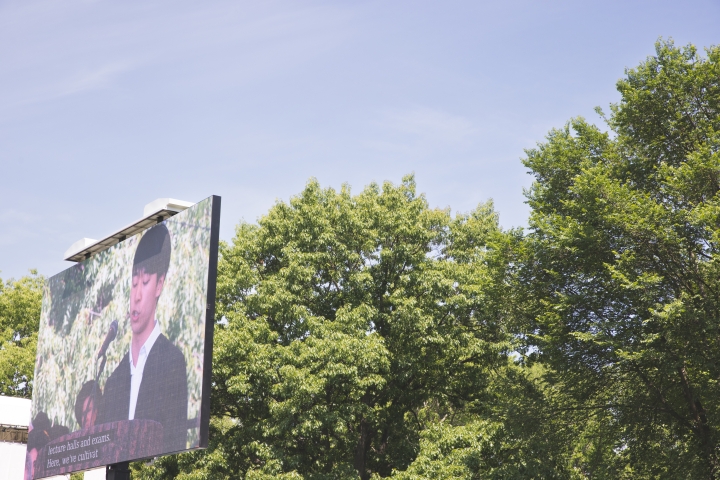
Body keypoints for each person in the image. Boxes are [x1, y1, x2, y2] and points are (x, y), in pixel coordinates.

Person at [99, 223, 188, 453]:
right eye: (134, 283)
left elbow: (174, 444)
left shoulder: (172, 362)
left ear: (159, 285)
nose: (136, 296)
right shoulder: (114, 381)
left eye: (145, 282)